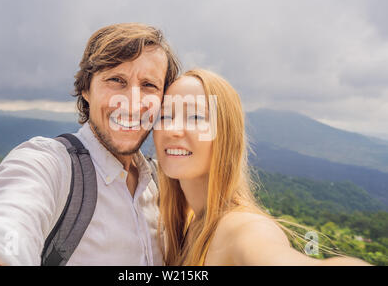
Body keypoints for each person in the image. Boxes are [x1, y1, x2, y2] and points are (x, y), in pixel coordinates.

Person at [0, 23, 180, 265]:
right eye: (116, 80)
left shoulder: (160, 184)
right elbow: (1, 223)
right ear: (86, 88)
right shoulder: (52, 165)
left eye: (149, 85)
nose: (132, 102)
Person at [152, 69, 371, 266]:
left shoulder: (241, 227)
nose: (172, 129)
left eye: (195, 117)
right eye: (164, 115)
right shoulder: (185, 224)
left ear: (226, 136)